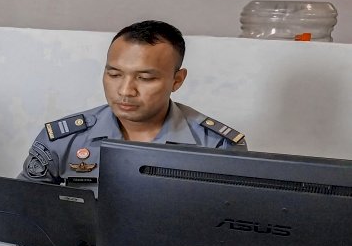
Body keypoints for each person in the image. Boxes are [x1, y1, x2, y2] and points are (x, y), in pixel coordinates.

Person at [20, 20, 247, 191]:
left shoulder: (216, 146)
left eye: (145, 78)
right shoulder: (64, 138)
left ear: (177, 80)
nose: (126, 90)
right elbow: (23, 206)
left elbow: (231, 224)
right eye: (114, 74)